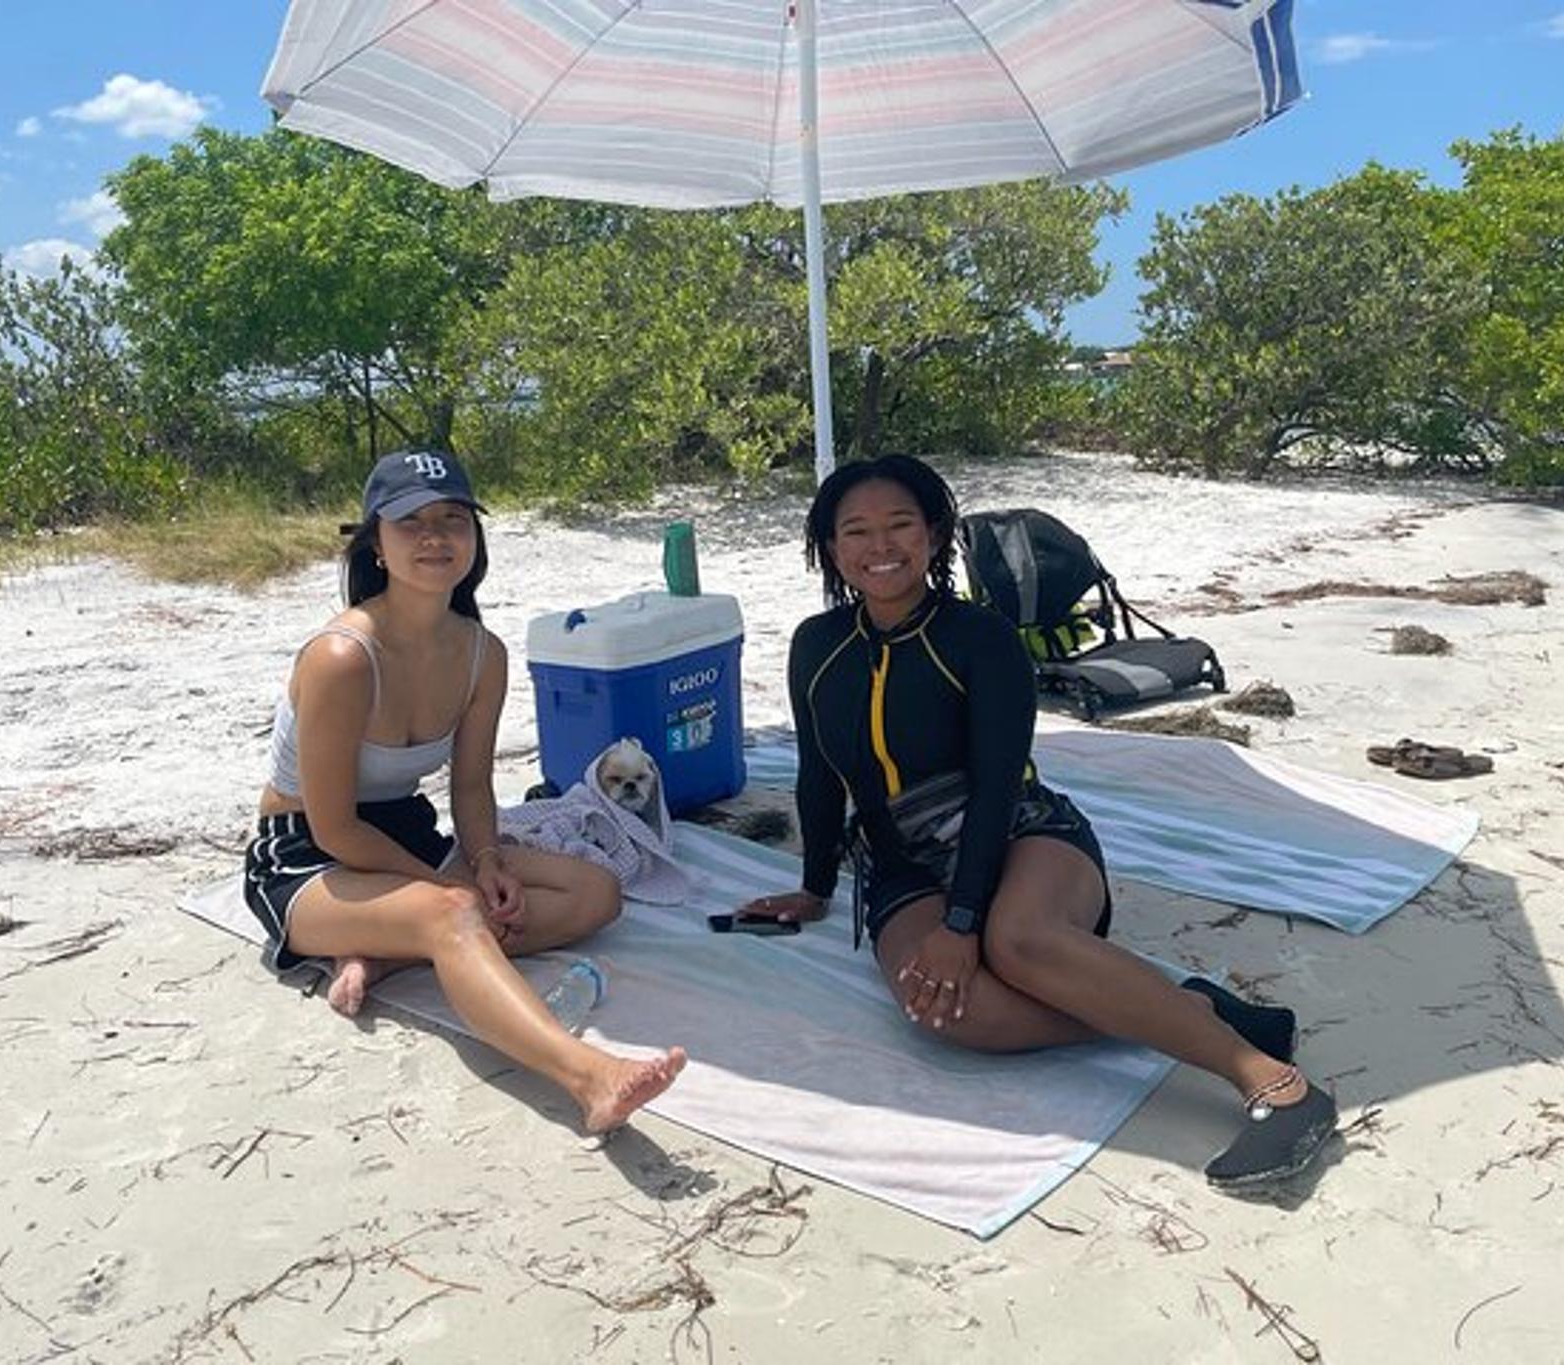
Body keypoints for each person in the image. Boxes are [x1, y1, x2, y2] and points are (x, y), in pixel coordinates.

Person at [739, 455, 1334, 1189]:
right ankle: (1184, 1005)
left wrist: (962, 925)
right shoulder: (816, 645)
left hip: (1021, 831)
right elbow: (819, 774)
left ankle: (1273, 1083)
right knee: (950, 1014)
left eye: (899, 524)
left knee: (1016, 941)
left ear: (933, 533)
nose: (879, 545)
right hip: (902, 862)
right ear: (831, 549)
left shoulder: (980, 637)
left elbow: (996, 784)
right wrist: (814, 885)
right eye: (855, 530)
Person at [243, 449, 685, 1133]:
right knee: (453, 915)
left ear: (475, 541)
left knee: (594, 892)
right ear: (376, 545)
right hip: (305, 855)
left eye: (452, 519)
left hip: (404, 833)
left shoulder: (483, 653)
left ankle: (383, 953)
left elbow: (472, 786)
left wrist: (485, 863)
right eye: (410, 522)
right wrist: (458, 895)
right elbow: (334, 828)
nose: (434, 537)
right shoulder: (342, 656)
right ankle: (589, 1076)